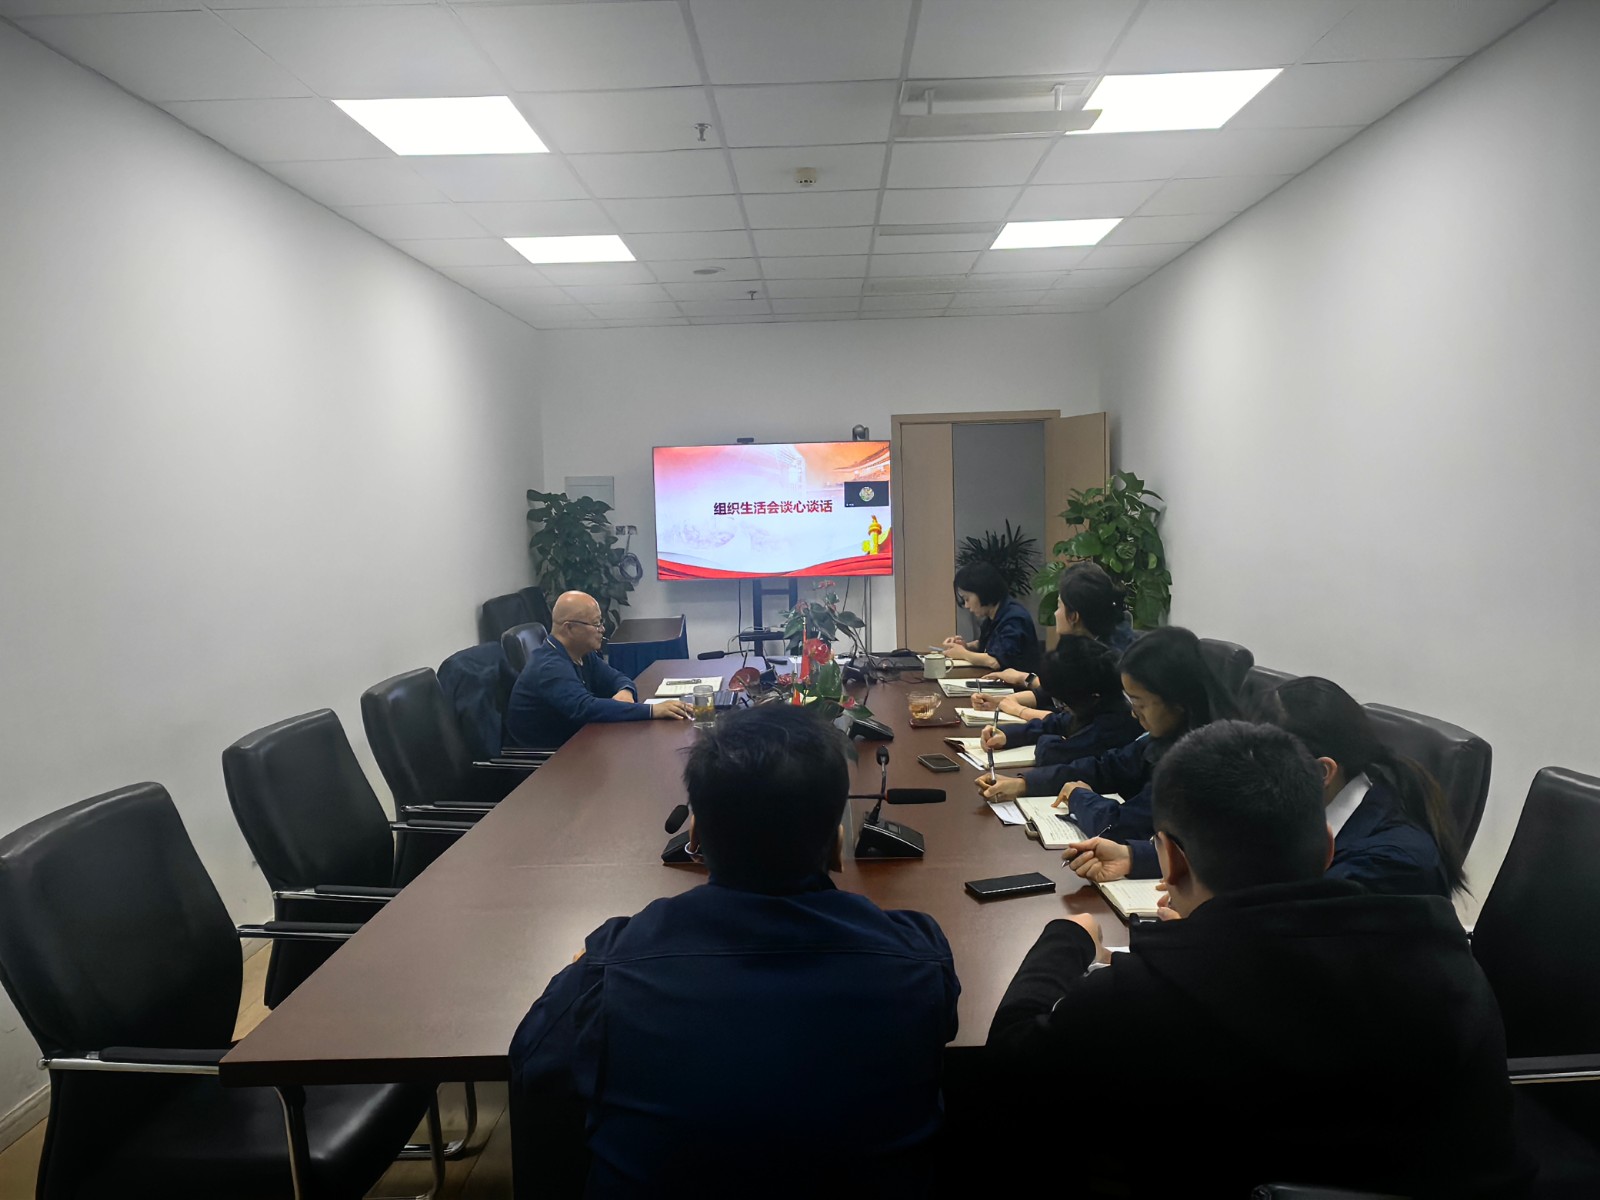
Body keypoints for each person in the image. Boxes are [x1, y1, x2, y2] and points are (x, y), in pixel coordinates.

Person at [985, 721, 1531, 1198]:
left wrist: (1068, 937)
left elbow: (1010, 1066)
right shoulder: (1445, 956)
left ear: (1170, 859)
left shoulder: (1141, 998)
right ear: (1327, 847)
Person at [508, 705, 960, 1198]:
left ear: (696, 837)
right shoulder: (918, 959)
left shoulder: (612, 966)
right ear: (836, 843)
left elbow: (533, 1063)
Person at [1065, 676, 1469, 900]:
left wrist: (1205, 926)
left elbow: (1293, 926)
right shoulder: (1309, 807)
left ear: (1322, 771)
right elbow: (1244, 858)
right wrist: (1136, 857)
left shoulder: (1391, 861)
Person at [975, 627, 1238, 852]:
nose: (1134, 713)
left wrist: (1079, 797)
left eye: (1140, 704)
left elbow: (1123, 825)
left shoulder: (1199, 759)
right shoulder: (1165, 735)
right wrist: (1025, 784)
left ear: (1178, 701)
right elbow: (1107, 767)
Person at [504, 590, 688, 748]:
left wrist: (625, 691)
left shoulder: (581, 653)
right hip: (546, 761)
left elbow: (618, 678)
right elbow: (585, 708)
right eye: (596, 624)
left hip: (577, 743)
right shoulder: (549, 666)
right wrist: (651, 711)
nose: (602, 629)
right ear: (570, 628)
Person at [971, 639, 1142, 799]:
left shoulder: (1115, 724)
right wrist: (1008, 735)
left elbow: (1051, 755)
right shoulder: (1102, 702)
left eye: (1063, 703)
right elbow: (1060, 722)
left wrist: (1046, 742)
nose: (1062, 707)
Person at [973, 561, 1134, 713]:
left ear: (1074, 616)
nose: (1055, 614)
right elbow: (1058, 694)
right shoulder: (1089, 645)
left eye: (1058, 606)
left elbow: (1072, 719)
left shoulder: (1109, 662)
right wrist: (1002, 700)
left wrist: (1019, 708)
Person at [940, 560, 1040, 673]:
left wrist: (963, 653)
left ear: (983, 592)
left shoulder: (1014, 618)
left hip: (1017, 683)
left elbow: (996, 661)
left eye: (967, 599)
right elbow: (990, 645)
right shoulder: (995, 615)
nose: (966, 605)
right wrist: (965, 646)